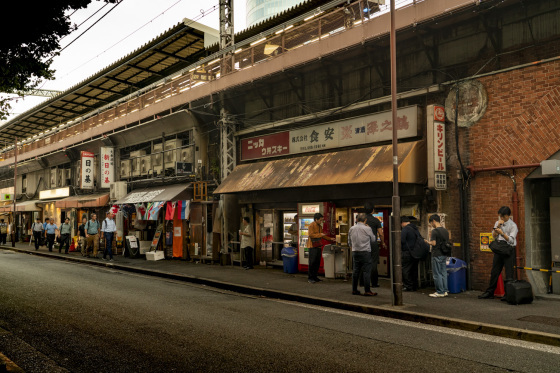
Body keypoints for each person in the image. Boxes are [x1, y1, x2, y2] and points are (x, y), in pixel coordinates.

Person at [478, 206, 518, 300]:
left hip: (508, 249)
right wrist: (497, 228)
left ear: (508, 216)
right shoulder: (497, 223)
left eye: (503, 217)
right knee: (494, 271)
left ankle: (508, 295)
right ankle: (490, 292)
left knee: (509, 273)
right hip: (499, 248)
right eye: (500, 216)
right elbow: (494, 236)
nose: (501, 219)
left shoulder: (513, 226)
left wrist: (503, 233)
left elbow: (512, 240)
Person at [348, 213, 377, 296]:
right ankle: (367, 290)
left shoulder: (352, 228)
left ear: (357, 220)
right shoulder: (367, 228)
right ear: (365, 220)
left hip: (355, 251)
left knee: (356, 271)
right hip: (365, 251)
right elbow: (373, 240)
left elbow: (349, 241)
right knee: (366, 271)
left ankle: (354, 289)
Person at [306, 213, 335, 284]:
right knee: (312, 262)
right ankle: (310, 278)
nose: (321, 221)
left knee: (317, 262)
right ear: (316, 219)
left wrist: (330, 239)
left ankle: (315, 277)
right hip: (312, 246)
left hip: (318, 246)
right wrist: (320, 234)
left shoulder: (319, 226)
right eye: (320, 220)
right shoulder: (311, 225)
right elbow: (311, 235)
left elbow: (322, 236)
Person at [425, 214, 449, 298]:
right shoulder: (445, 231)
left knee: (436, 273)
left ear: (434, 221)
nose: (431, 225)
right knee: (443, 273)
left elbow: (434, 243)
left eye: (431, 223)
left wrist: (428, 242)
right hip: (444, 254)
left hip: (436, 254)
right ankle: (445, 290)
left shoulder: (434, 231)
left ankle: (440, 291)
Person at [363, 202, 385, 288]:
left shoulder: (361, 220)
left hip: (363, 243)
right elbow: (381, 234)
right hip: (373, 243)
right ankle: (374, 283)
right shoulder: (376, 220)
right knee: (373, 263)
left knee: (364, 262)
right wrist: (383, 242)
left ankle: (362, 282)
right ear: (373, 210)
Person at [401, 216, 420, 292]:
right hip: (416, 252)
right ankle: (414, 285)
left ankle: (408, 286)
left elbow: (402, 240)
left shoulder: (405, 229)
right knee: (414, 270)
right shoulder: (415, 229)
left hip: (407, 252)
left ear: (403, 223)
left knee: (406, 270)